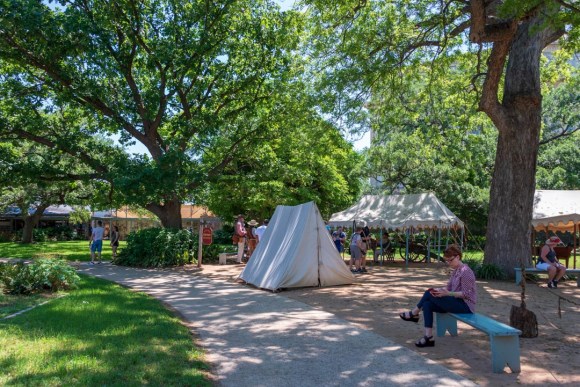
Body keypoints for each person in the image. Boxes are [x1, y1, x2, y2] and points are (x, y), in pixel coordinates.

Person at [398, 244, 477, 348]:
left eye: (450, 260)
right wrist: (439, 290)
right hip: (455, 301)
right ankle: (428, 337)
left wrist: (448, 294)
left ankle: (414, 313)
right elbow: (448, 287)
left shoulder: (466, 272)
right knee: (427, 303)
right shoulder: (456, 270)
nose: (448, 263)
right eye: (447, 261)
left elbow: (466, 294)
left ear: (458, 257)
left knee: (428, 293)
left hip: (465, 306)